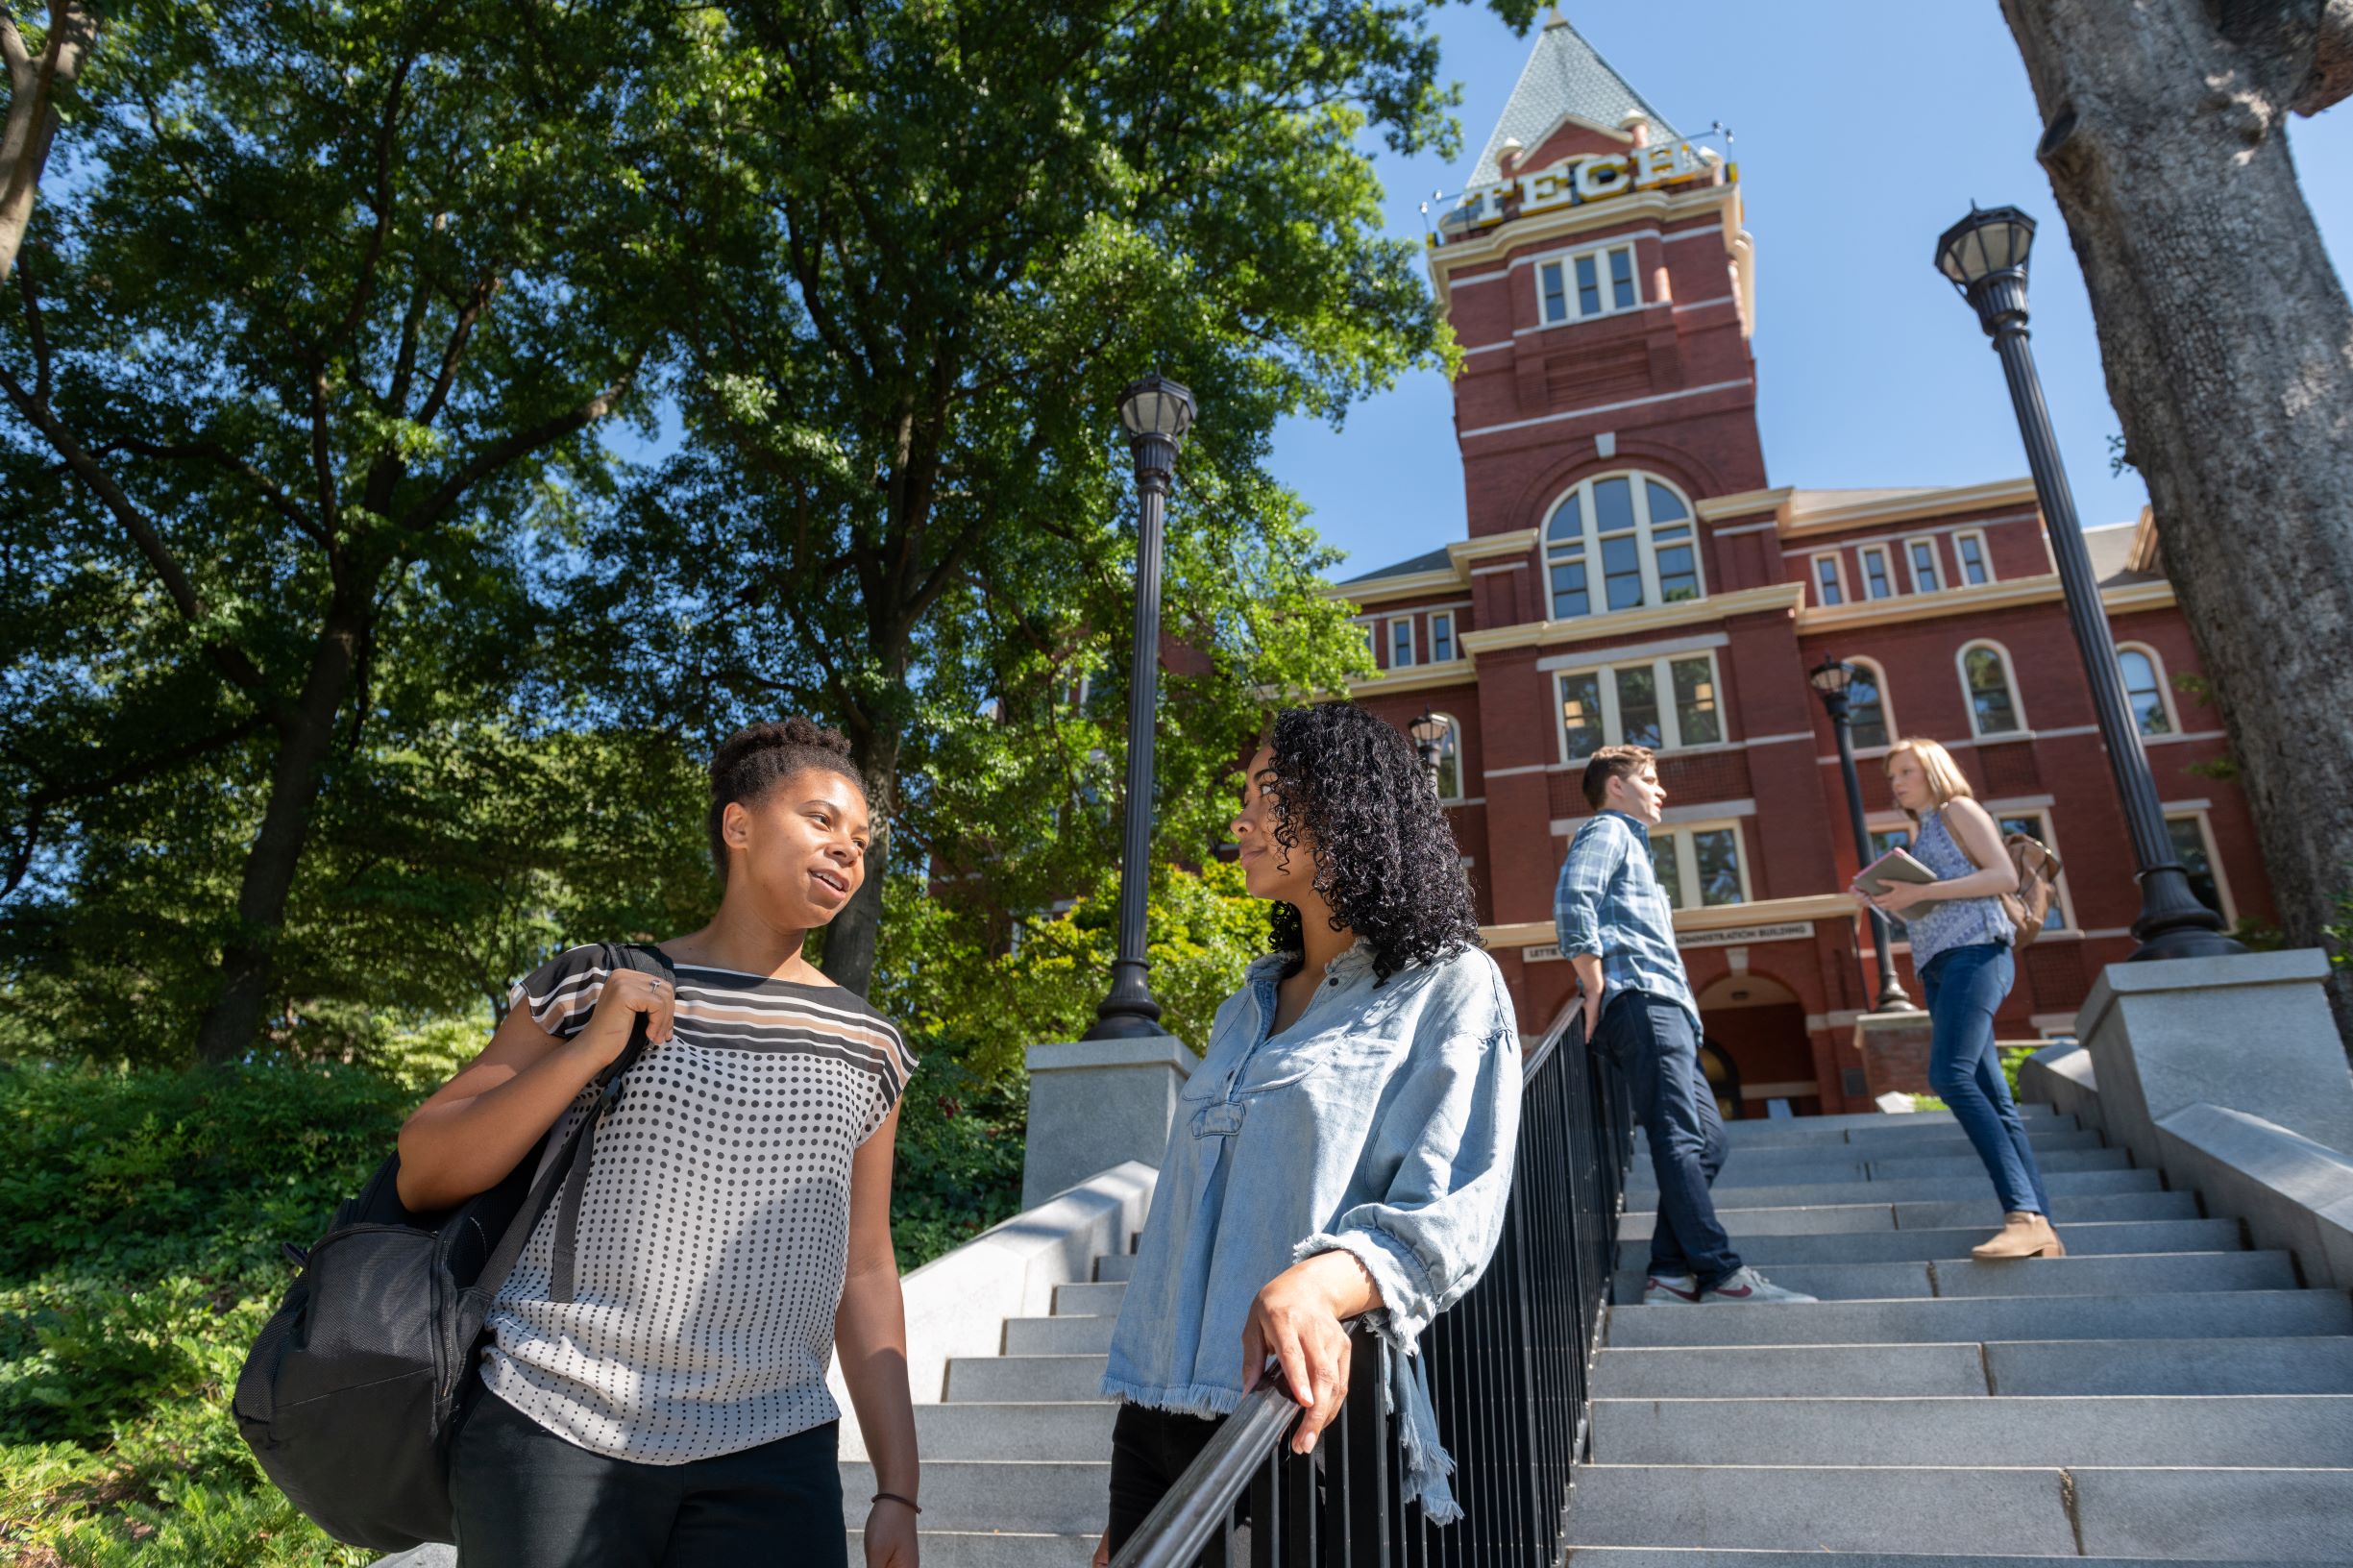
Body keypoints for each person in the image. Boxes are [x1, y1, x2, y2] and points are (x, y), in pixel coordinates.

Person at [394, 718, 922, 1568]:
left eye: (860, 840)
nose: (847, 851)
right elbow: (425, 1168)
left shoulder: (870, 1045)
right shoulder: (596, 982)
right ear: (739, 825)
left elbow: (864, 1266)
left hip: (773, 1446)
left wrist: (898, 1487)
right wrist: (594, 1048)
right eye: (822, 820)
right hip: (554, 1418)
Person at [1089, 701, 1524, 1562]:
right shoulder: (1239, 1008)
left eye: (1270, 791)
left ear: (1348, 806)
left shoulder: (1447, 986)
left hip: (1299, 1411)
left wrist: (1330, 1281)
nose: (1242, 818)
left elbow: (1454, 1211)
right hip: (1156, 1406)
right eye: (1244, 792)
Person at [1555, 745, 1815, 1307]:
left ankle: (1670, 1270)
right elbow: (1574, 898)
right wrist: (1594, 984)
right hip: (1642, 1002)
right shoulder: (1608, 830)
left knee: (1709, 1141)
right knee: (1679, 1137)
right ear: (1616, 786)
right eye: (1649, 778)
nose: (1661, 790)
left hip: (1668, 1010)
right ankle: (1720, 1272)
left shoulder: (1636, 847)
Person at [1856, 736, 2060, 1260]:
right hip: (1940, 965)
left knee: (1949, 1075)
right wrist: (1888, 902)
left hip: (1978, 954)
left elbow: (2003, 876)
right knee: (1996, 1101)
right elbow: (1928, 911)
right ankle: (2044, 1230)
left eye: (1906, 771)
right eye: (1892, 776)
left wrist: (1920, 892)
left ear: (1934, 770)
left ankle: (2023, 1214)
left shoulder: (1958, 810)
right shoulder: (1921, 835)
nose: (1896, 782)